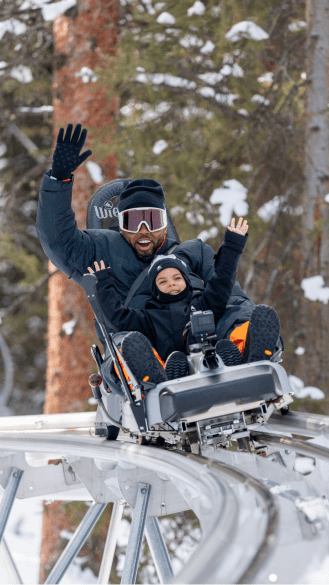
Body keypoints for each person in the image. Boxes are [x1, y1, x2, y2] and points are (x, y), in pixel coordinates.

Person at [36, 123, 280, 362]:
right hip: (146, 347)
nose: (144, 230)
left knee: (239, 311)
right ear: (120, 224)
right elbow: (59, 242)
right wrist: (58, 181)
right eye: (133, 221)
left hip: (206, 340)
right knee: (127, 343)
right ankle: (149, 369)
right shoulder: (102, 250)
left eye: (152, 220)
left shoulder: (194, 252)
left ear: (165, 223)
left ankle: (247, 348)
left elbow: (227, 293)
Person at [87, 216, 252, 383]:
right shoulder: (149, 318)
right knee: (133, 343)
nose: (171, 284)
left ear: (187, 282)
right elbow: (117, 317)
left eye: (176, 279)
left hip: (209, 364)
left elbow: (222, 281)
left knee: (231, 333)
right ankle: (154, 376)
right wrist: (103, 285)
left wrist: (232, 245)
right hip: (168, 373)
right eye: (163, 281)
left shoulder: (202, 303)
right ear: (155, 289)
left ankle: (233, 358)